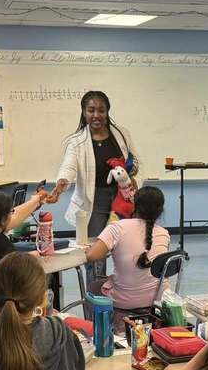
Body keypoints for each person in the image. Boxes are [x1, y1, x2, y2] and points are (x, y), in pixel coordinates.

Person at [47, 90, 142, 281]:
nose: (96, 115)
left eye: (101, 110)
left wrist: (134, 180)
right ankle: (95, 291)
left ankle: (126, 287)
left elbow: (136, 162)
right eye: (91, 110)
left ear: (107, 111)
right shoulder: (77, 142)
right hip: (93, 201)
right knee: (95, 251)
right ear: (84, 112)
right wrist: (62, 183)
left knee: (126, 245)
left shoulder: (122, 134)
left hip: (122, 198)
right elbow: (68, 167)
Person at [84, 185, 171, 311]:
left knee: (94, 287)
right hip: (159, 299)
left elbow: (91, 256)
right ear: (161, 210)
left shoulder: (117, 227)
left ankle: (97, 323)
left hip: (124, 300)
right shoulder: (164, 234)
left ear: (135, 205)